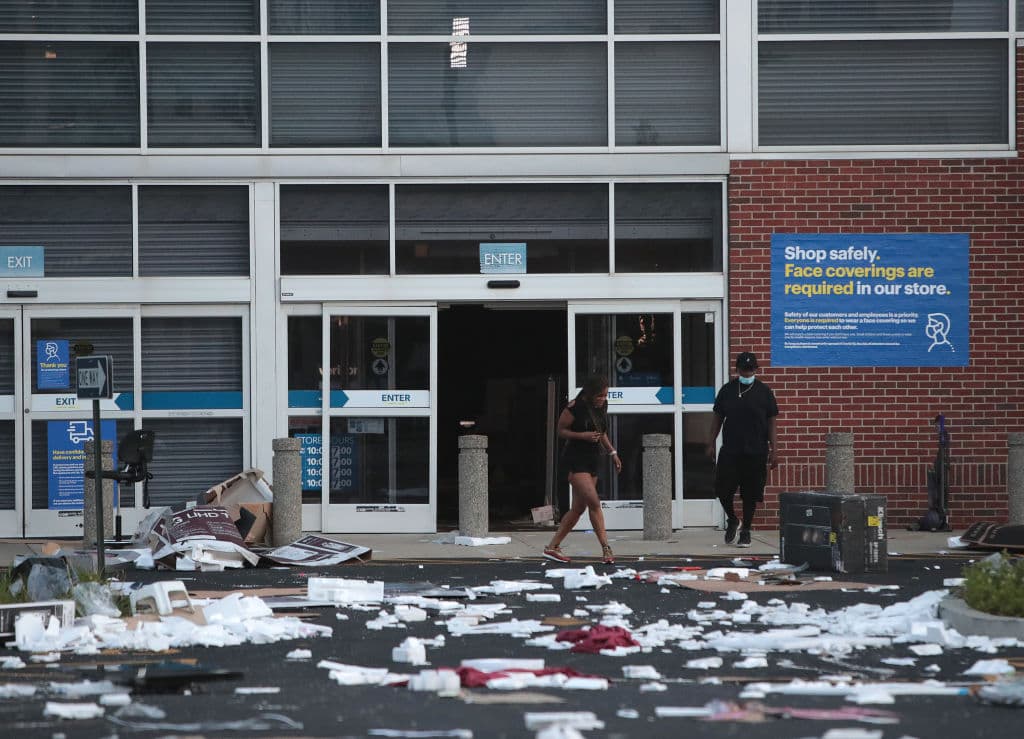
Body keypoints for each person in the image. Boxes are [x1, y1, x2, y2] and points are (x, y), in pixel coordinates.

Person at [543, 375, 622, 564]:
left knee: (578, 508)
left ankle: (552, 546)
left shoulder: (602, 406)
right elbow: (561, 430)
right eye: (599, 396)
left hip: (593, 459)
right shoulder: (574, 407)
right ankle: (606, 548)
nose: (603, 399)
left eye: (605, 396)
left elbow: (601, 431)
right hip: (575, 459)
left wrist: (612, 453)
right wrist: (582, 435)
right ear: (589, 394)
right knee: (594, 502)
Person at [705, 352, 779, 548]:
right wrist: (710, 442)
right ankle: (732, 518)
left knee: (750, 493)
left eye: (750, 369)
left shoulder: (764, 392)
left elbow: (772, 421)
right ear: (737, 369)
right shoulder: (727, 391)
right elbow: (717, 418)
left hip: (756, 451)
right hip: (731, 449)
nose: (747, 373)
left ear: (756, 369)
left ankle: (746, 530)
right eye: (744, 370)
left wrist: (775, 449)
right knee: (722, 489)